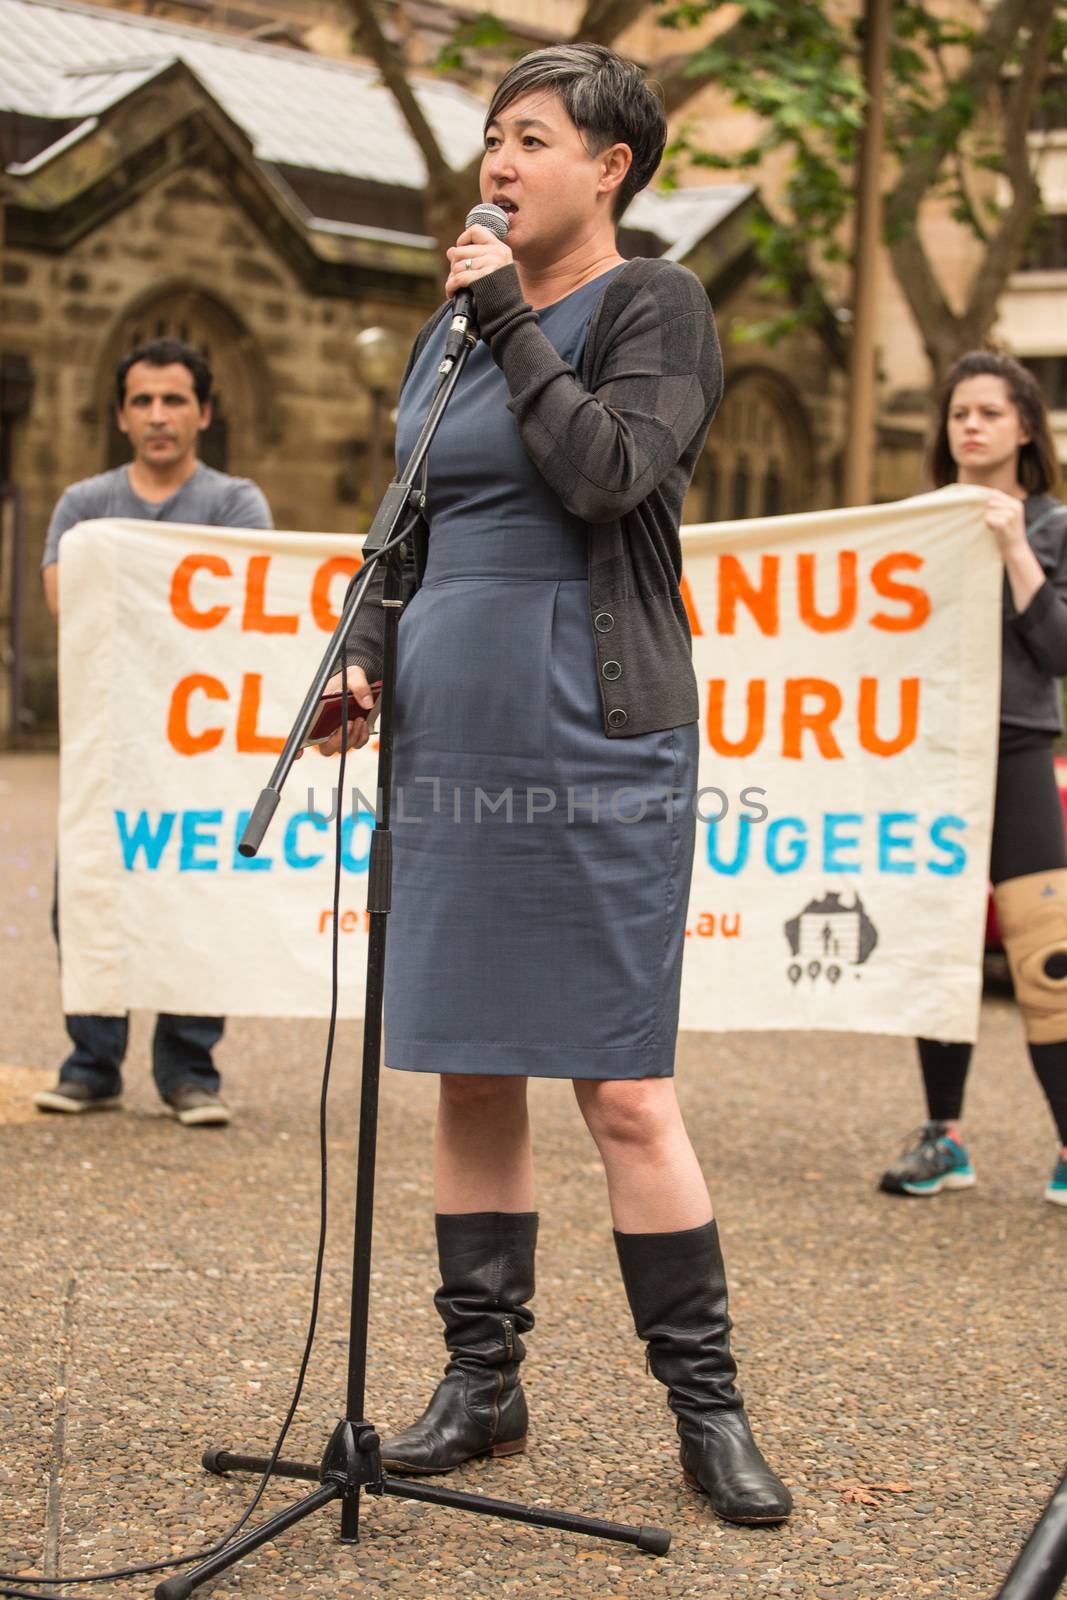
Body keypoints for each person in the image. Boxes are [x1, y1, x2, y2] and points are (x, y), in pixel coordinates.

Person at [324, 44, 791, 1524]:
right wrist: (358, 659)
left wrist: (509, 321)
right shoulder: (445, 333)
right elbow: (402, 528)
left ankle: (704, 1408)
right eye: (490, 136)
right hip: (445, 737)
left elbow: (605, 473)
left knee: (622, 1087)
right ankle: (482, 1384)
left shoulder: (650, 304)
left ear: (610, 168)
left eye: (531, 138)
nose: (498, 161)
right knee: (470, 1064)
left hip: (593, 731)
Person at [34, 337, 273, 1128]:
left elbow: (240, 617)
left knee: (194, 896)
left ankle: (188, 1069)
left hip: (201, 749)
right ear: (120, 415)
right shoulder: (81, 505)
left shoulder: (237, 505)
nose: (158, 416)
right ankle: (92, 1064)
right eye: (143, 401)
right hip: (112, 746)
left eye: (174, 400)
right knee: (90, 895)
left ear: (203, 412)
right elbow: (72, 610)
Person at [880, 351, 1067, 1208]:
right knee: (938, 949)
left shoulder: (1052, 529)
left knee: (1047, 960)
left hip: (1017, 753)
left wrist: (1006, 541)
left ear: (1024, 428)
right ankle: (943, 1137)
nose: (971, 426)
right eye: (959, 412)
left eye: (989, 412)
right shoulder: (914, 525)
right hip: (929, 760)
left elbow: (1056, 650)